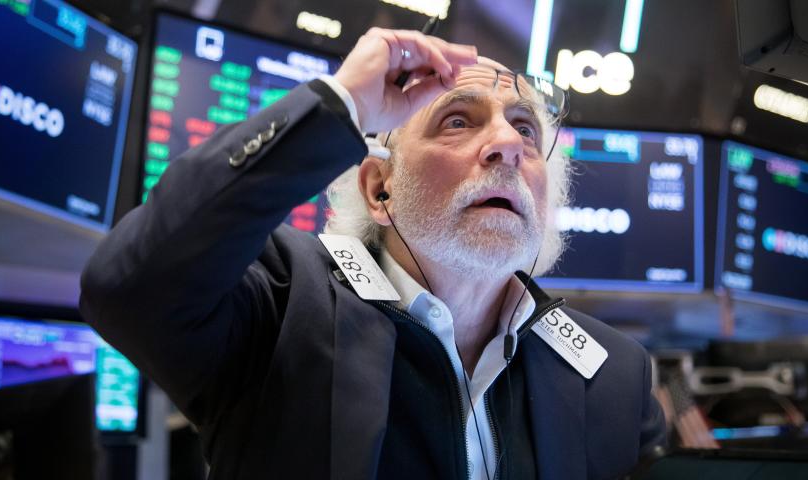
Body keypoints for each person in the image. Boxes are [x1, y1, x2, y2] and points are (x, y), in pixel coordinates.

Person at [80, 27, 665, 480]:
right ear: (379, 189)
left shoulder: (614, 372)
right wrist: (341, 104)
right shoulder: (281, 305)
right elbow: (129, 287)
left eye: (526, 130)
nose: (508, 145)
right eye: (457, 121)